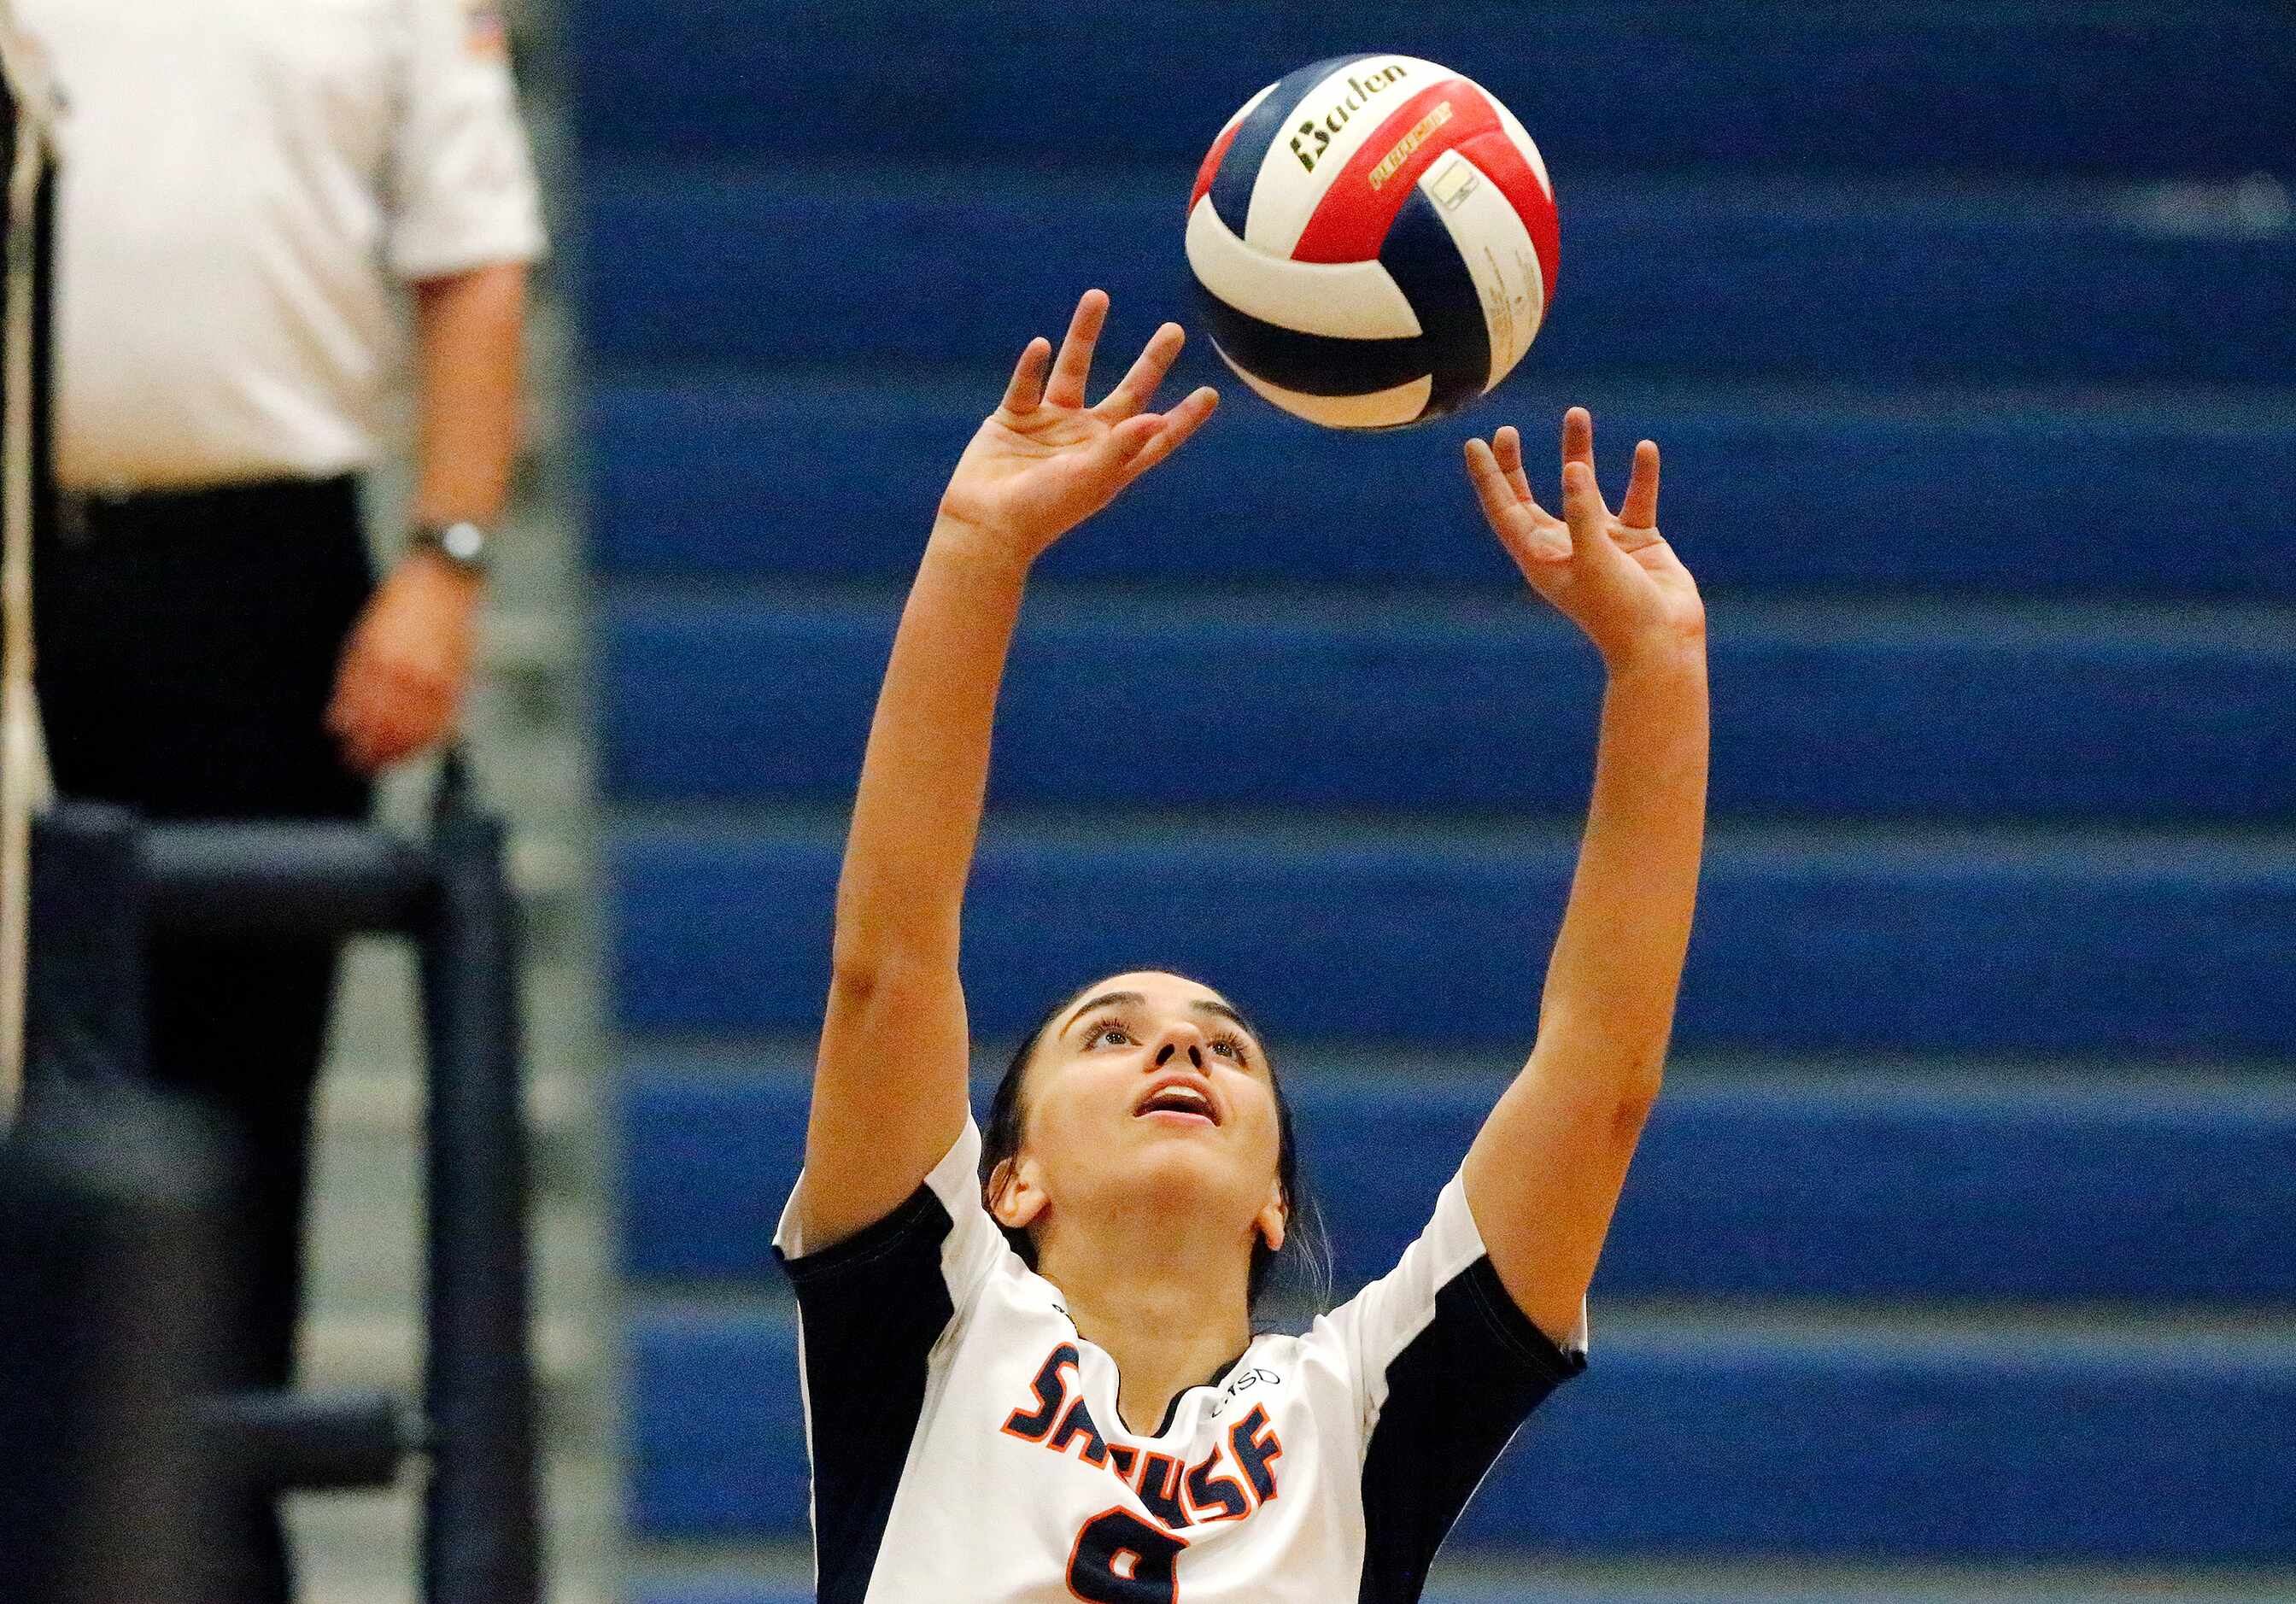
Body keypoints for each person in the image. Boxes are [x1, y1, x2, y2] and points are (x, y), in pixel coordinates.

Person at [775, 289, 1709, 1601]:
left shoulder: (1356, 1410)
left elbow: (1599, 1080)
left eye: (1227, 1047)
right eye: (1114, 1034)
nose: (1178, 1047)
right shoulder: (936, 1325)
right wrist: (977, 548)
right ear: (1011, 1180)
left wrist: (1658, 663)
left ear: (1275, 1196)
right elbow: (890, 968)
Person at [15, 0, 544, 1595]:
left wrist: (444, 564)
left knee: (237, 1117)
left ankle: (207, 1560)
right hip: (19, 567)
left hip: (259, 577)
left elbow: (477, 259)